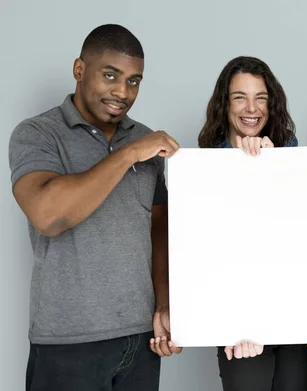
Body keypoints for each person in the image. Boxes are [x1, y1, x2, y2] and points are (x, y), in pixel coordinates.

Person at [8, 24, 182, 391]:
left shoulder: (143, 137)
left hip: (140, 341)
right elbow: (48, 215)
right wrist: (129, 154)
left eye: (134, 81)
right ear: (79, 70)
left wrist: (164, 306)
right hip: (67, 342)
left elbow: (158, 230)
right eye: (110, 76)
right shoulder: (37, 134)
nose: (123, 92)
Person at [197, 56, 307, 391]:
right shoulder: (203, 168)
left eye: (260, 97)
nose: (251, 108)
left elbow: (302, 240)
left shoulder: (291, 155)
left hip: (293, 318)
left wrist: (270, 168)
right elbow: (210, 254)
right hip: (240, 327)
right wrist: (237, 322)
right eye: (240, 97)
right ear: (224, 104)